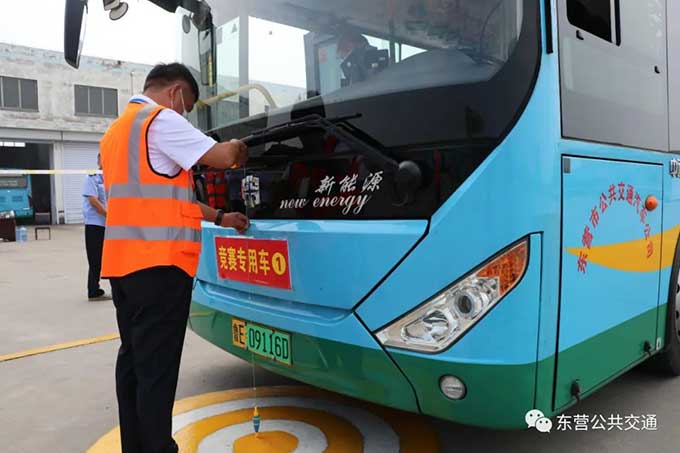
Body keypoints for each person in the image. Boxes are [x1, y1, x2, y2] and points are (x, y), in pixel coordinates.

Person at [99, 63, 249, 453]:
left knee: (133, 363)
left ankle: (136, 445)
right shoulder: (160, 120)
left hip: (123, 265)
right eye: (186, 107)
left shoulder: (116, 132)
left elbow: (165, 196)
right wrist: (240, 146)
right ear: (175, 92)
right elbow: (222, 157)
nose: (184, 116)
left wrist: (220, 217)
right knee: (157, 370)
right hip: (160, 266)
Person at [82, 153, 109, 301]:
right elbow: (93, 201)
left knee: (109, 258)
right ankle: (93, 291)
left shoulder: (111, 178)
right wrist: (109, 216)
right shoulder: (91, 177)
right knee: (95, 258)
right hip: (95, 225)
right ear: (98, 162)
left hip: (108, 225)